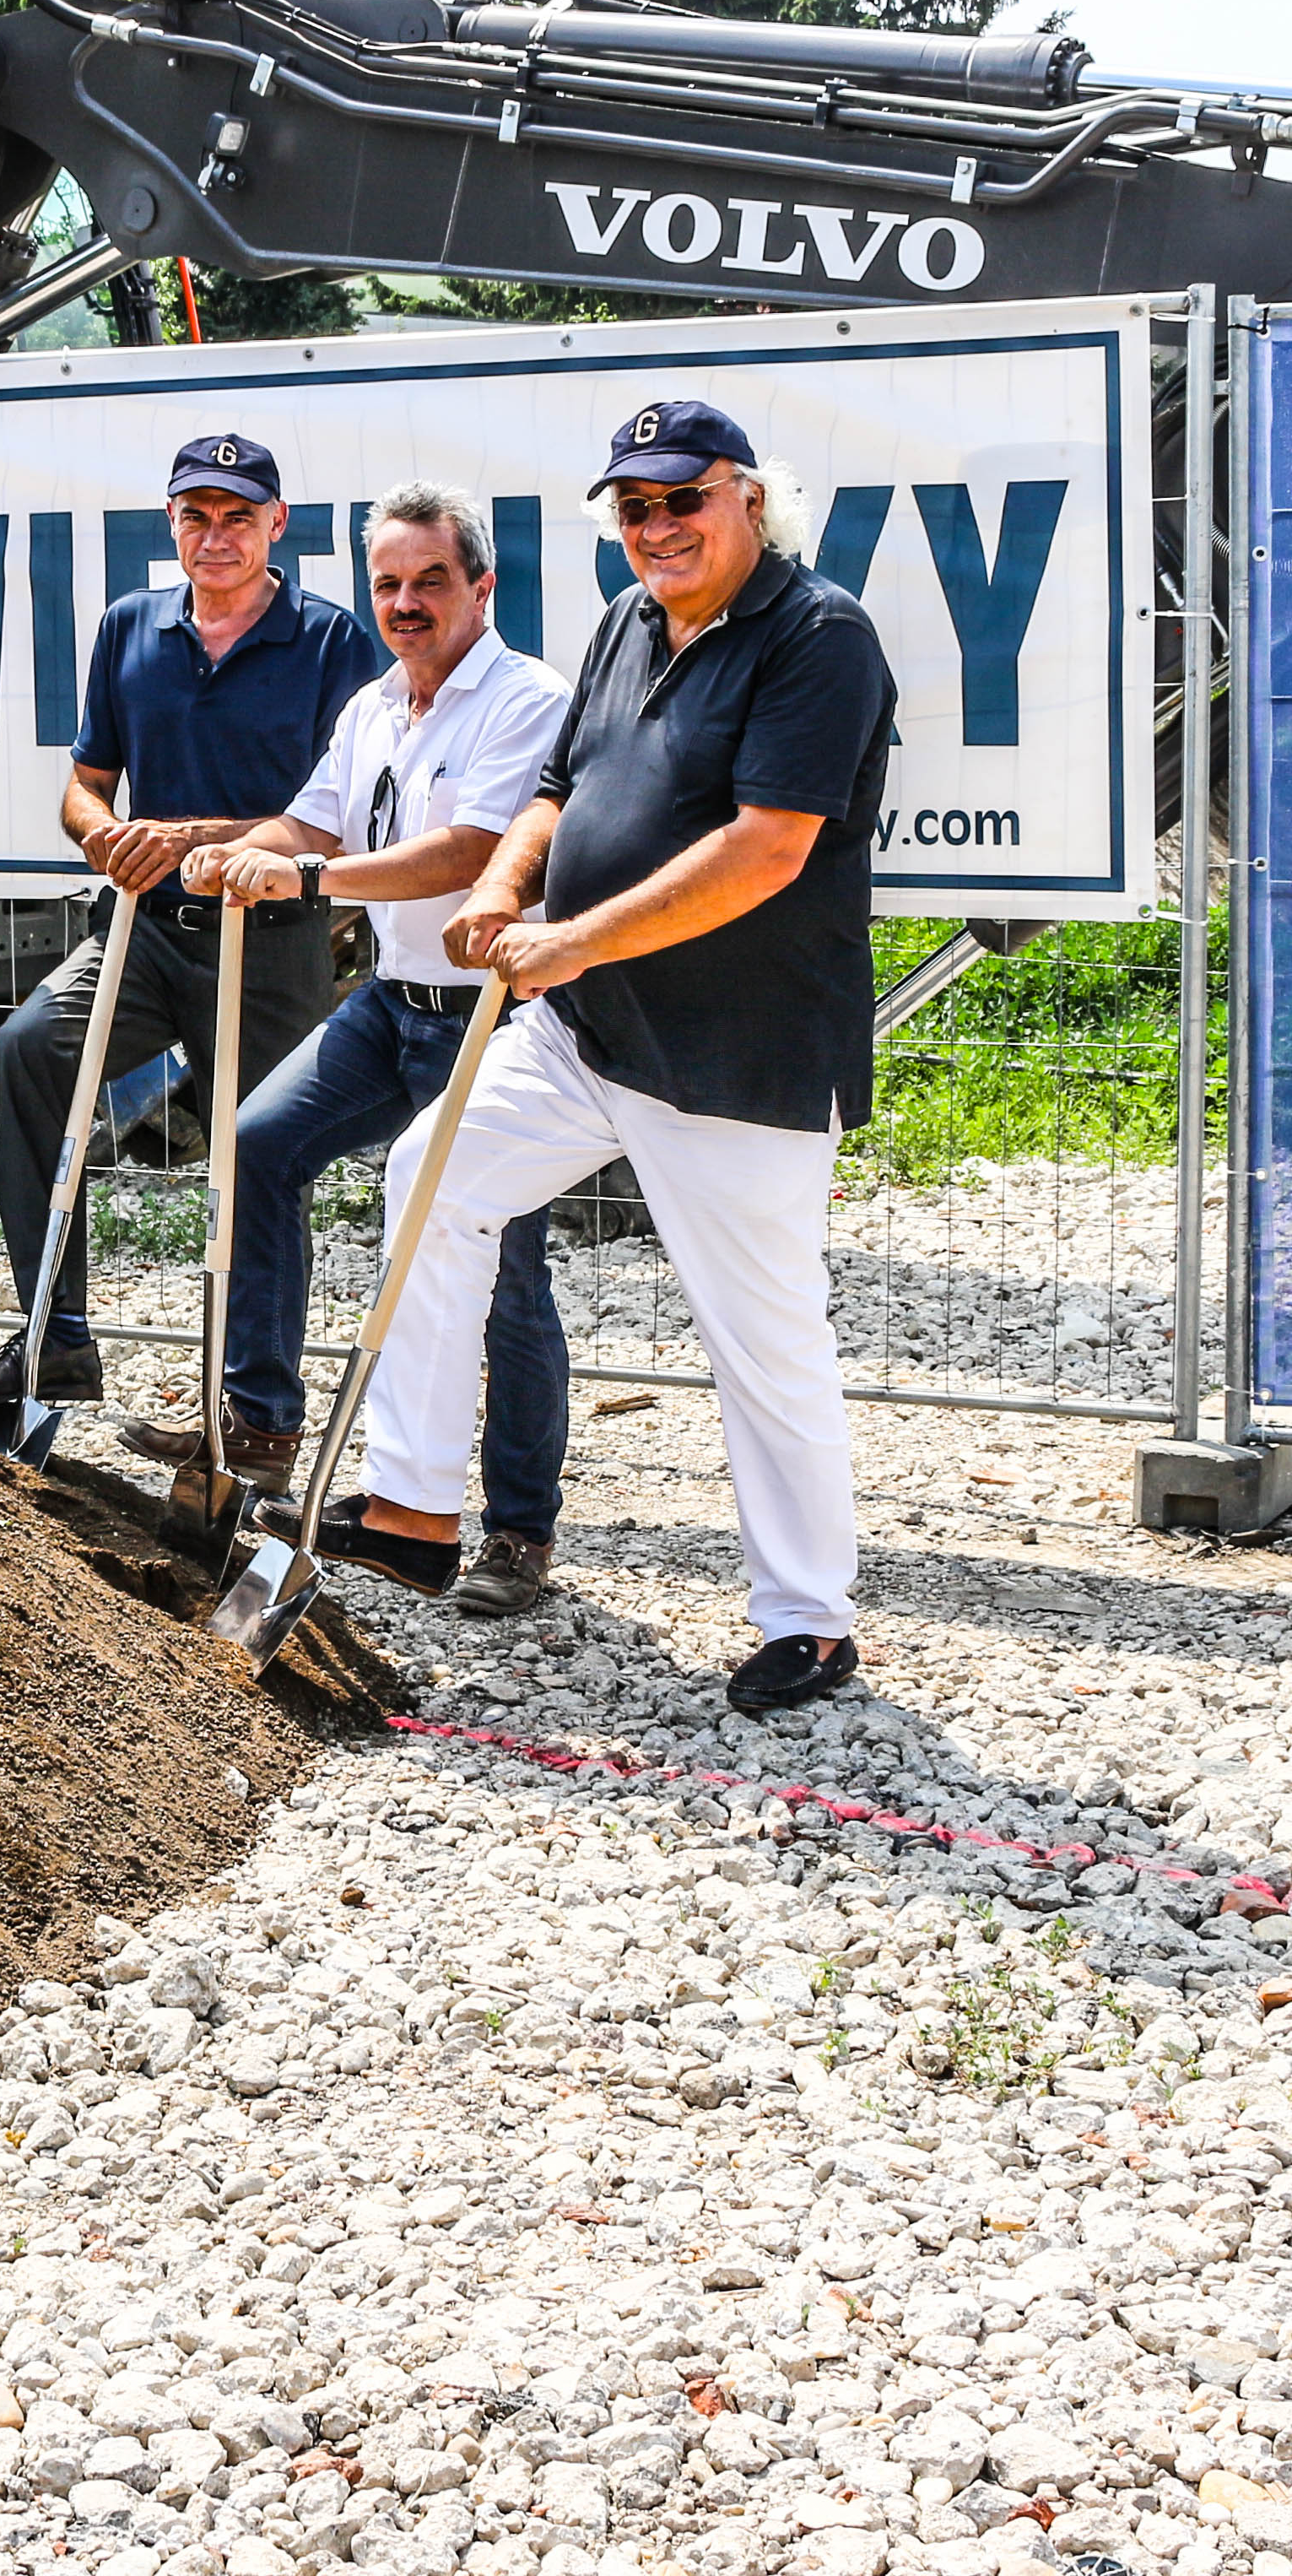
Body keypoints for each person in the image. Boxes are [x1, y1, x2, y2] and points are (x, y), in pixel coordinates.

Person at [322, 398, 893, 1715]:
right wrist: (510, 885)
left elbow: (768, 847)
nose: (655, 526)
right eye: (632, 507)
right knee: (430, 1181)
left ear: (747, 496)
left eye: (680, 498)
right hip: (590, 1030)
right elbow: (559, 787)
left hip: (738, 1058)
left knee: (765, 1341)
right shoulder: (632, 620)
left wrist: (571, 936)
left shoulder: (820, 638)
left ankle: (810, 1621)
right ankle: (412, 1506)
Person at [131, 484, 578, 1617]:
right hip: (393, 1001)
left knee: (500, 1266)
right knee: (260, 1143)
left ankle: (517, 1531)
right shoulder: (377, 703)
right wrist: (236, 852)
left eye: (431, 580)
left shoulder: (526, 700)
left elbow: (470, 851)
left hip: (492, 1013)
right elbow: (314, 820)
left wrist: (311, 878)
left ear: (483, 587)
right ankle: (264, 1424)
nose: (407, 602)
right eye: (388, 583)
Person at [0, 431, 377, 1412]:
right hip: (143, 933)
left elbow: (340, 815)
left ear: (277, 525)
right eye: (196, 516)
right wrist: (106, 839)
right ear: (171, 521)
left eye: (237, 518)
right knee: (29, 1047)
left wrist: (197, 839)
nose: (215, 537)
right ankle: (58, 1341)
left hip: (271, 944)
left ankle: (254, 1402)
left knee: (261, 1154)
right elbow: (84, 790)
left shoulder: (334, 640)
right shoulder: (131, 625)